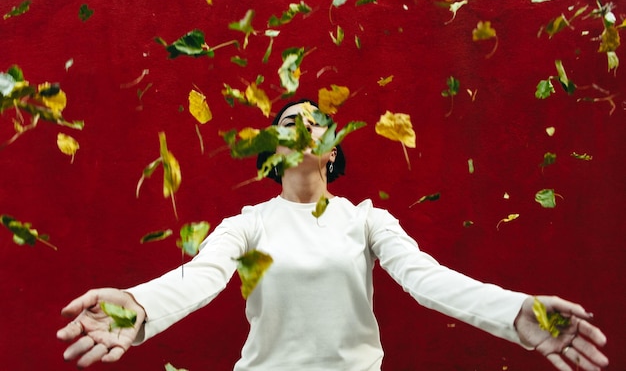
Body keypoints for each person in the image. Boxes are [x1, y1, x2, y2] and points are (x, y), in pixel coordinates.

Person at [57, 100, 609, 371]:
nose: (300, 125)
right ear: (274, 152)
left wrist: (518, 314)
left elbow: (427, 280)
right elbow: (202, 278)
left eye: (314, 119)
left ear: (334, 145)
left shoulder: (367, 220)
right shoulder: (247, 225)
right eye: (287, 122)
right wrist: (136, 309)